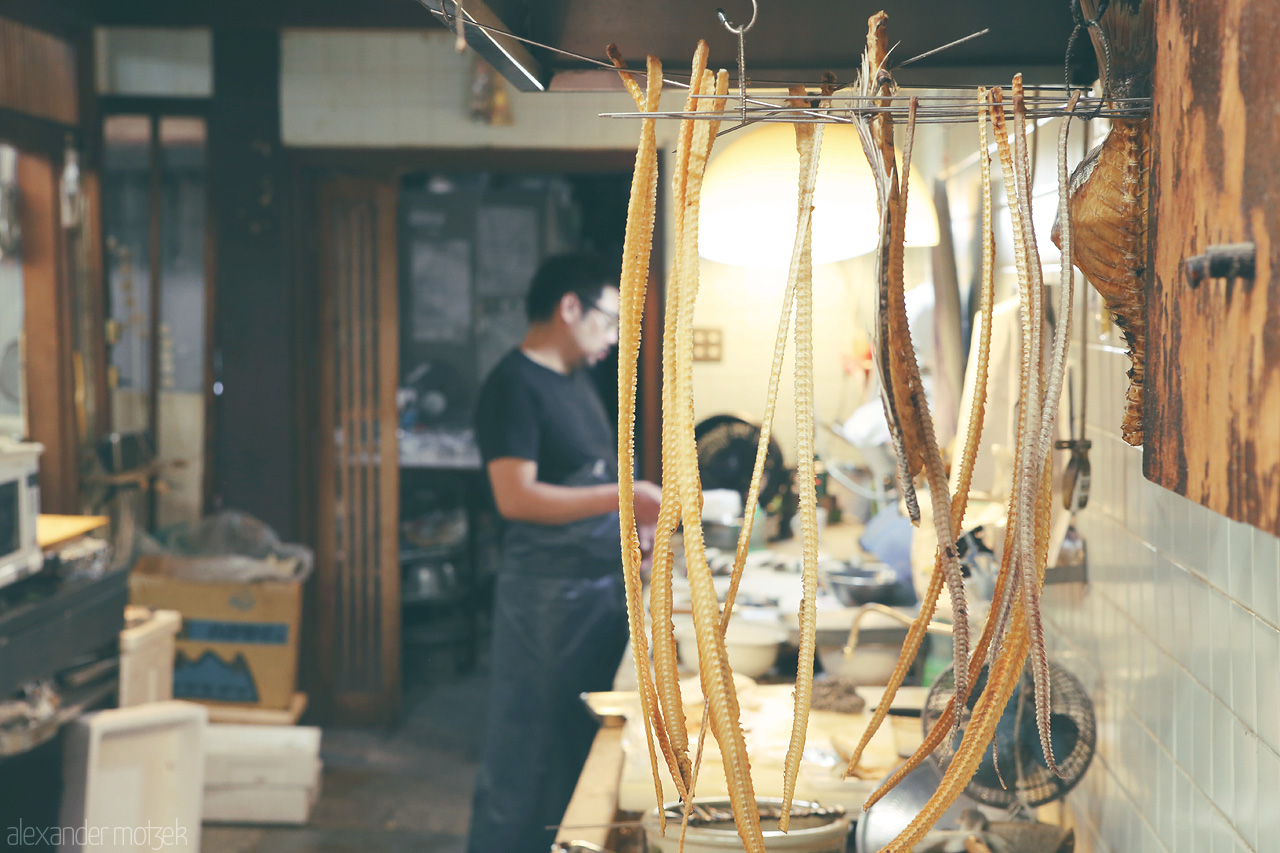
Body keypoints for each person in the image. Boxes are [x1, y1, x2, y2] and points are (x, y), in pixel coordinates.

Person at [466, 252, 662, 853]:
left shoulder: (578, 381)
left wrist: (638, 537)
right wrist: (625, 498)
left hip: (597, 588)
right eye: (607, 320)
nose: (612, 337)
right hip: (545, 600)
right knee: (530, 746)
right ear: (569, 307)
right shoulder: (513, 384)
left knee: (585, 744)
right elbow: (516, 497)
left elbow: (584, 482)